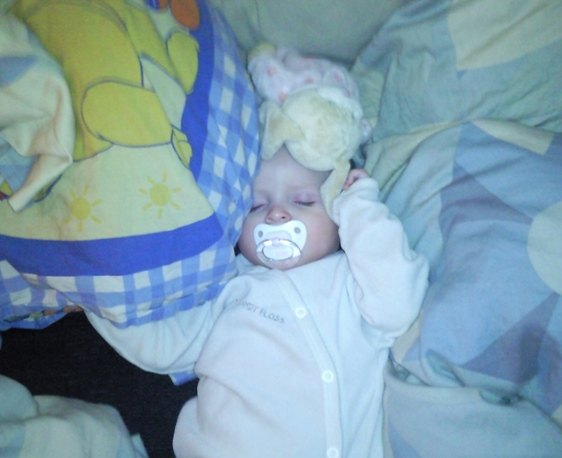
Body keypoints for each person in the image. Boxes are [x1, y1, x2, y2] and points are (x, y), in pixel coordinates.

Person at [172, 145, 429, 457]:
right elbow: (166, 347)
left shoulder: (356, 277)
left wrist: (360, 207)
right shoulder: (224, 283)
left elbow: (397, 306)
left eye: (303, 201)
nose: (275, 214)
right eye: (256, 206)